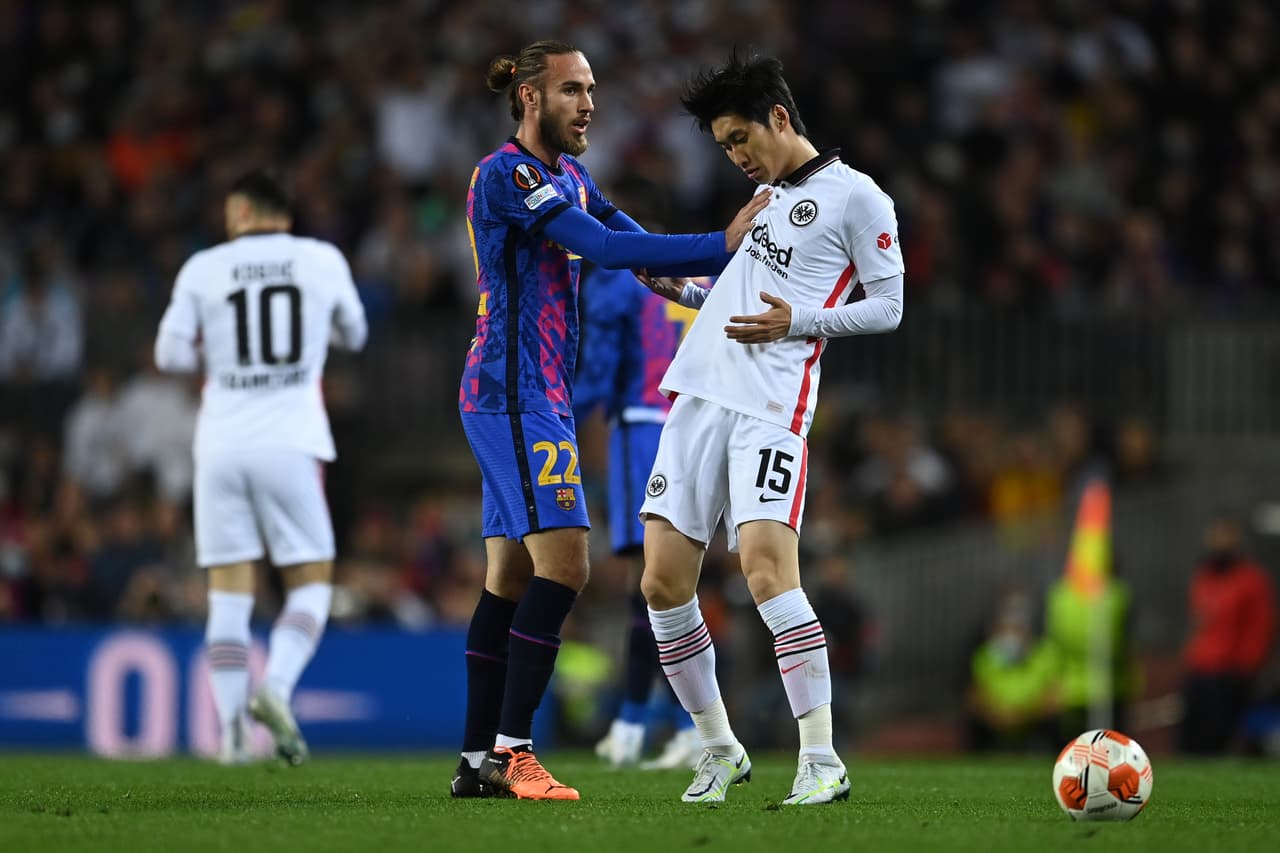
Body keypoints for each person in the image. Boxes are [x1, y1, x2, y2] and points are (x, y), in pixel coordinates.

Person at [450, 40, 768, 802]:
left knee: (510, 576)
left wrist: (727, 275)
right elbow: (599, 245)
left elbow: (635, 255)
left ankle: (476, 760)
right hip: (513, 390)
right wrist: (721, 240)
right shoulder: (508, 175)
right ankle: (516, 751)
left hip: (538, 392)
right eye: (573, 90)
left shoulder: (572, 177)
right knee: (566, 565)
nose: (589, 104)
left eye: (592, 89)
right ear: (530, 96)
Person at [636, 51, 904, 805]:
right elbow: (741, 300)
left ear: (779, 117)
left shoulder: (859, 198)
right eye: (724, 146)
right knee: (661, 582)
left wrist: (801, 322)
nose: (735, 156)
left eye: (739, 138)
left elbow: (889, 307)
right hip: (698, 394)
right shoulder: (761, 200)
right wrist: (684, 288)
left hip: (770, 408)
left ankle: (821, 758)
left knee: (764, 571)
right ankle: (720, 747)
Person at [153, 170, 368, 765]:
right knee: (311, 583)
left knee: (228, 593)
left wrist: (219, 355)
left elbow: (168, 353)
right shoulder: (321, 260)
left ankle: (229, 736)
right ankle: (274, 688)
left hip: (220, 444)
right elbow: (355, 333)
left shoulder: (204, 268)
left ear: (244, 211)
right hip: (292, 442)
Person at [575, 258, 701, 771]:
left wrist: (559, 412)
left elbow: (600, 368)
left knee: (649, 584)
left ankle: (656, 724)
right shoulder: (706, 278)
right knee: (671, 583)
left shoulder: (620, 277)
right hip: (695, 427)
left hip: (643, 425)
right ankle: (663, 725)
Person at [1179, 513, 1276, 754]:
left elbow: (1261, 627)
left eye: (1224, 536)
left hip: (1228, 674)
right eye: (1214, 536)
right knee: (1190, 739)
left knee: (1220, 738)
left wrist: (1244, 667)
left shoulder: (1251, 580)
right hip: (1200, 670)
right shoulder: (1204, 577)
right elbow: (1198, 622)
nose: (1218, 542)